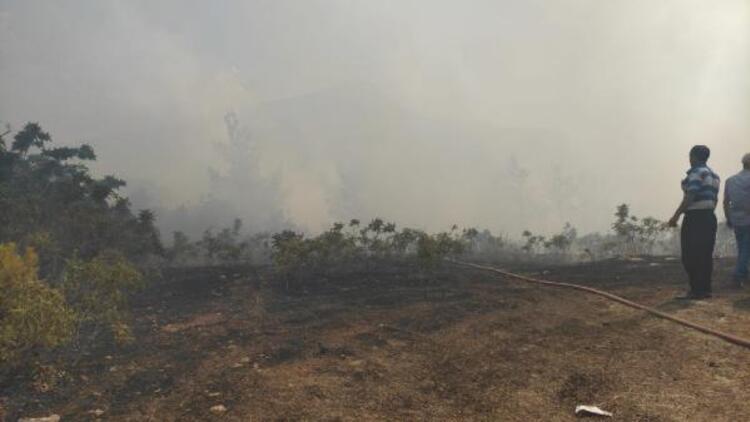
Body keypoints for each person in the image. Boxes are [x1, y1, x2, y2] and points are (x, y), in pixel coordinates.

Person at [668, 145, 720, 300]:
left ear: (694, 156)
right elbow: (715, 199)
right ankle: (704, 289)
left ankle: (696, 290)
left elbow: (689, 197)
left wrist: (675, 216)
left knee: (689, 254)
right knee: (704, 254)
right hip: (709, 216)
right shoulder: (715, 176)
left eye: (690, 156)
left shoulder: (697, 173)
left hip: (695, 218)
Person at [724, 153, 750, 287]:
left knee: (743, 249)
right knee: (746, 249)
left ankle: (744, 276)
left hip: (736, 220)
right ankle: (738, 275)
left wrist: (729, 218)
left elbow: (725, 202)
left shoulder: (731, 180)